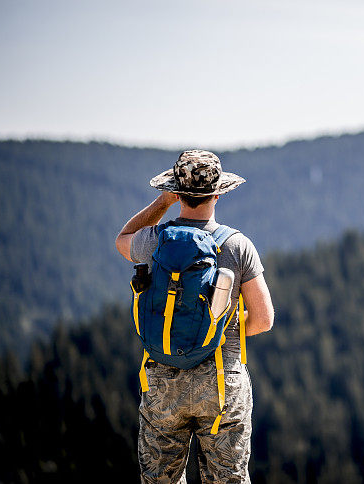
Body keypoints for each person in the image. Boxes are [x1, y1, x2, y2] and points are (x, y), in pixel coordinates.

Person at [115, 149, 274, 483]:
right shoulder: (237, 245)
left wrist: (162, 204)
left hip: (163, 380)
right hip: (219, 383)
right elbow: (263, 319)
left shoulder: (157, 240)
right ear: (217, 193)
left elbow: (122, 240)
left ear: (177, 191)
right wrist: (218, 330)